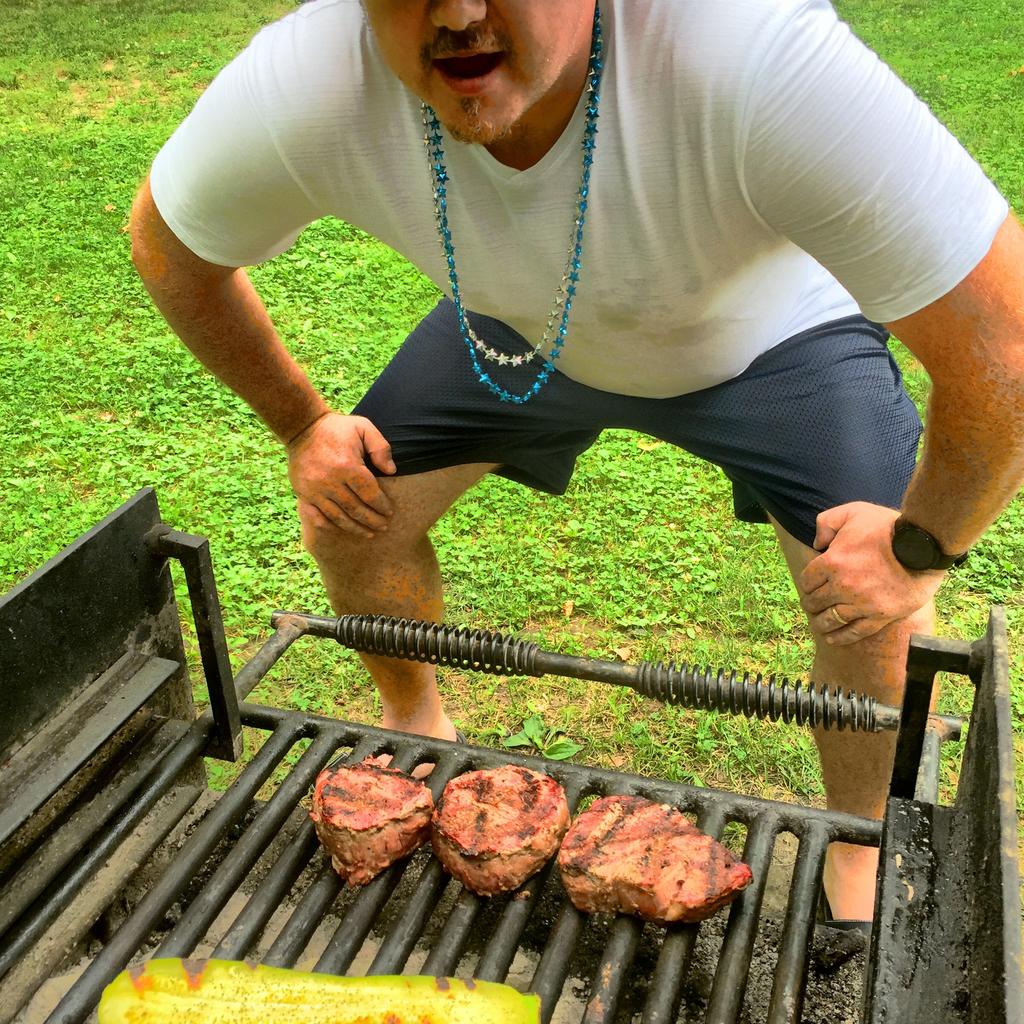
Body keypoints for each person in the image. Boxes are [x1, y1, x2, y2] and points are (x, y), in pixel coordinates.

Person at [129, 0, 1024, 924]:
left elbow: (1009, 348)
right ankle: (414, 720)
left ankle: (858, 842)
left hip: (774, 334)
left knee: (865, 605)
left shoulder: (747, 54)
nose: (460, 12)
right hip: (528, 330)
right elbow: (167, 245)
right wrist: (303, 425)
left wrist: (921, 547)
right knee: (354, 506)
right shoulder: (311, 78)